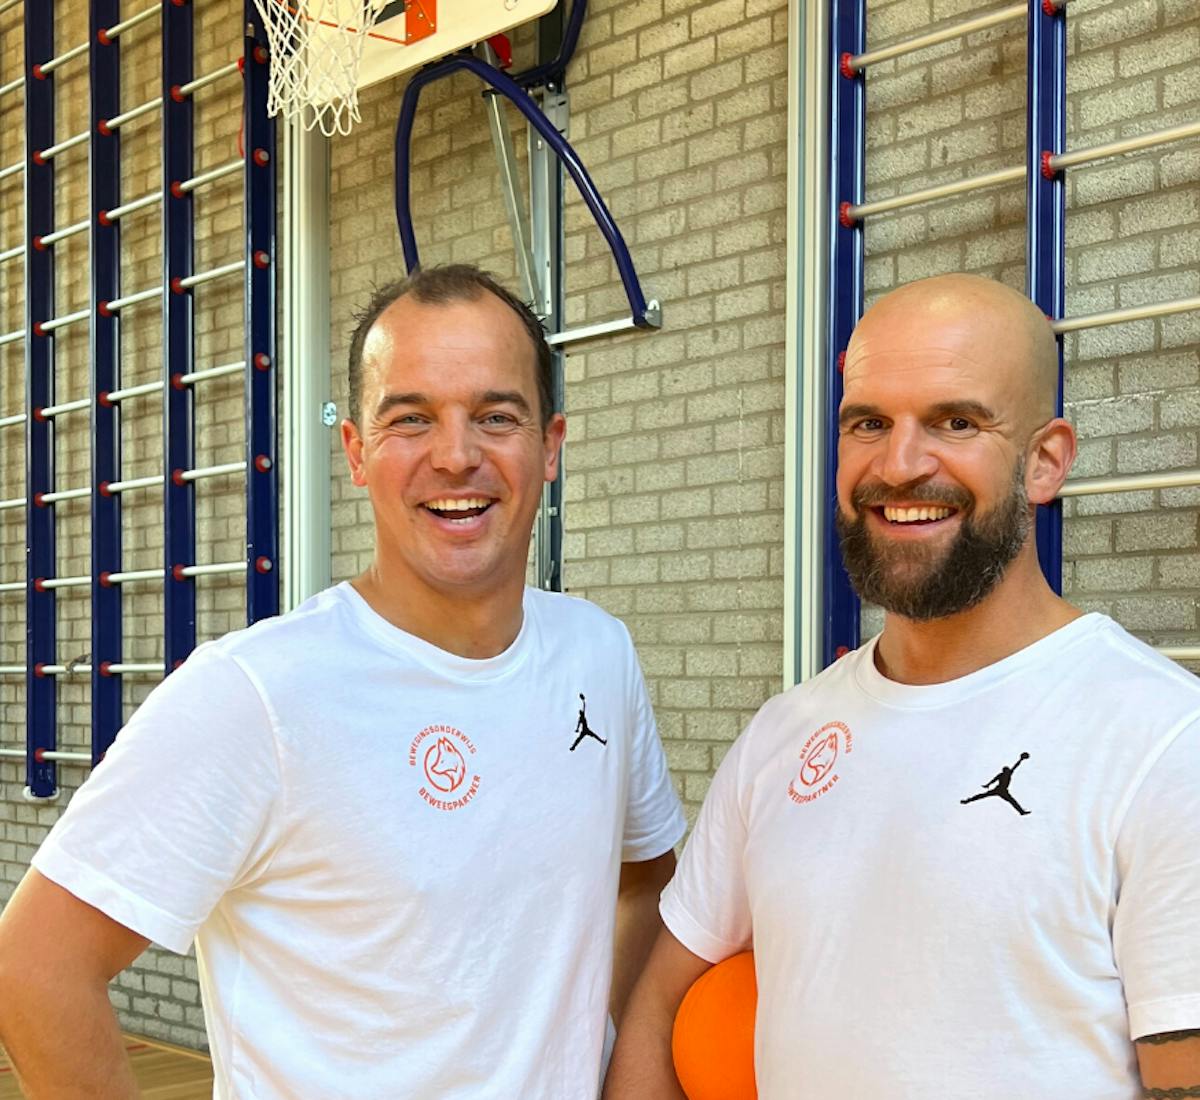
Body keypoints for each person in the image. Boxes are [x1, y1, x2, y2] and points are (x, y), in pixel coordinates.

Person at [0, 265, 685, 1099]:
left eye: (496, 416)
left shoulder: (597, 654)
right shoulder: (257, 695)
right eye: (411, 419)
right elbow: (34, 966)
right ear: (358, 452)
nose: (456, 456)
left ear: (551, 445)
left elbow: (645, 881)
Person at [604, 274, 1200, 1099]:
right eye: (869, 423)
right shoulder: (785, 732)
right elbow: (658, 1007)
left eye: (956, 422)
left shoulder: (1163, 742)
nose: (900, 464)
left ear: (1045, 461)